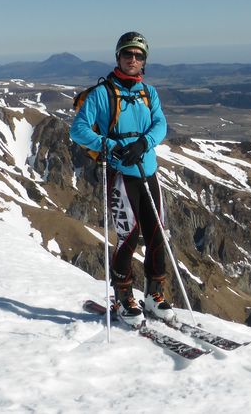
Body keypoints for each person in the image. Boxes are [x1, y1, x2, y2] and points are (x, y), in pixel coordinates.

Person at [69, 31, 173, 325]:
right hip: (121, 174)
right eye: (128, 54)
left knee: (156, 233)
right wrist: (112, 146)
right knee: (128, 236)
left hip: (147, 169)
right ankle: (124, 296)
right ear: (118, 57)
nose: (133, 59)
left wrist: (143, 143)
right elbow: (77, 130)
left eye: (139, 56)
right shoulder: (102, 94)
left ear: (144, 62)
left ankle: (155, 294)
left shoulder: (148, 92)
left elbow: (160, 123)